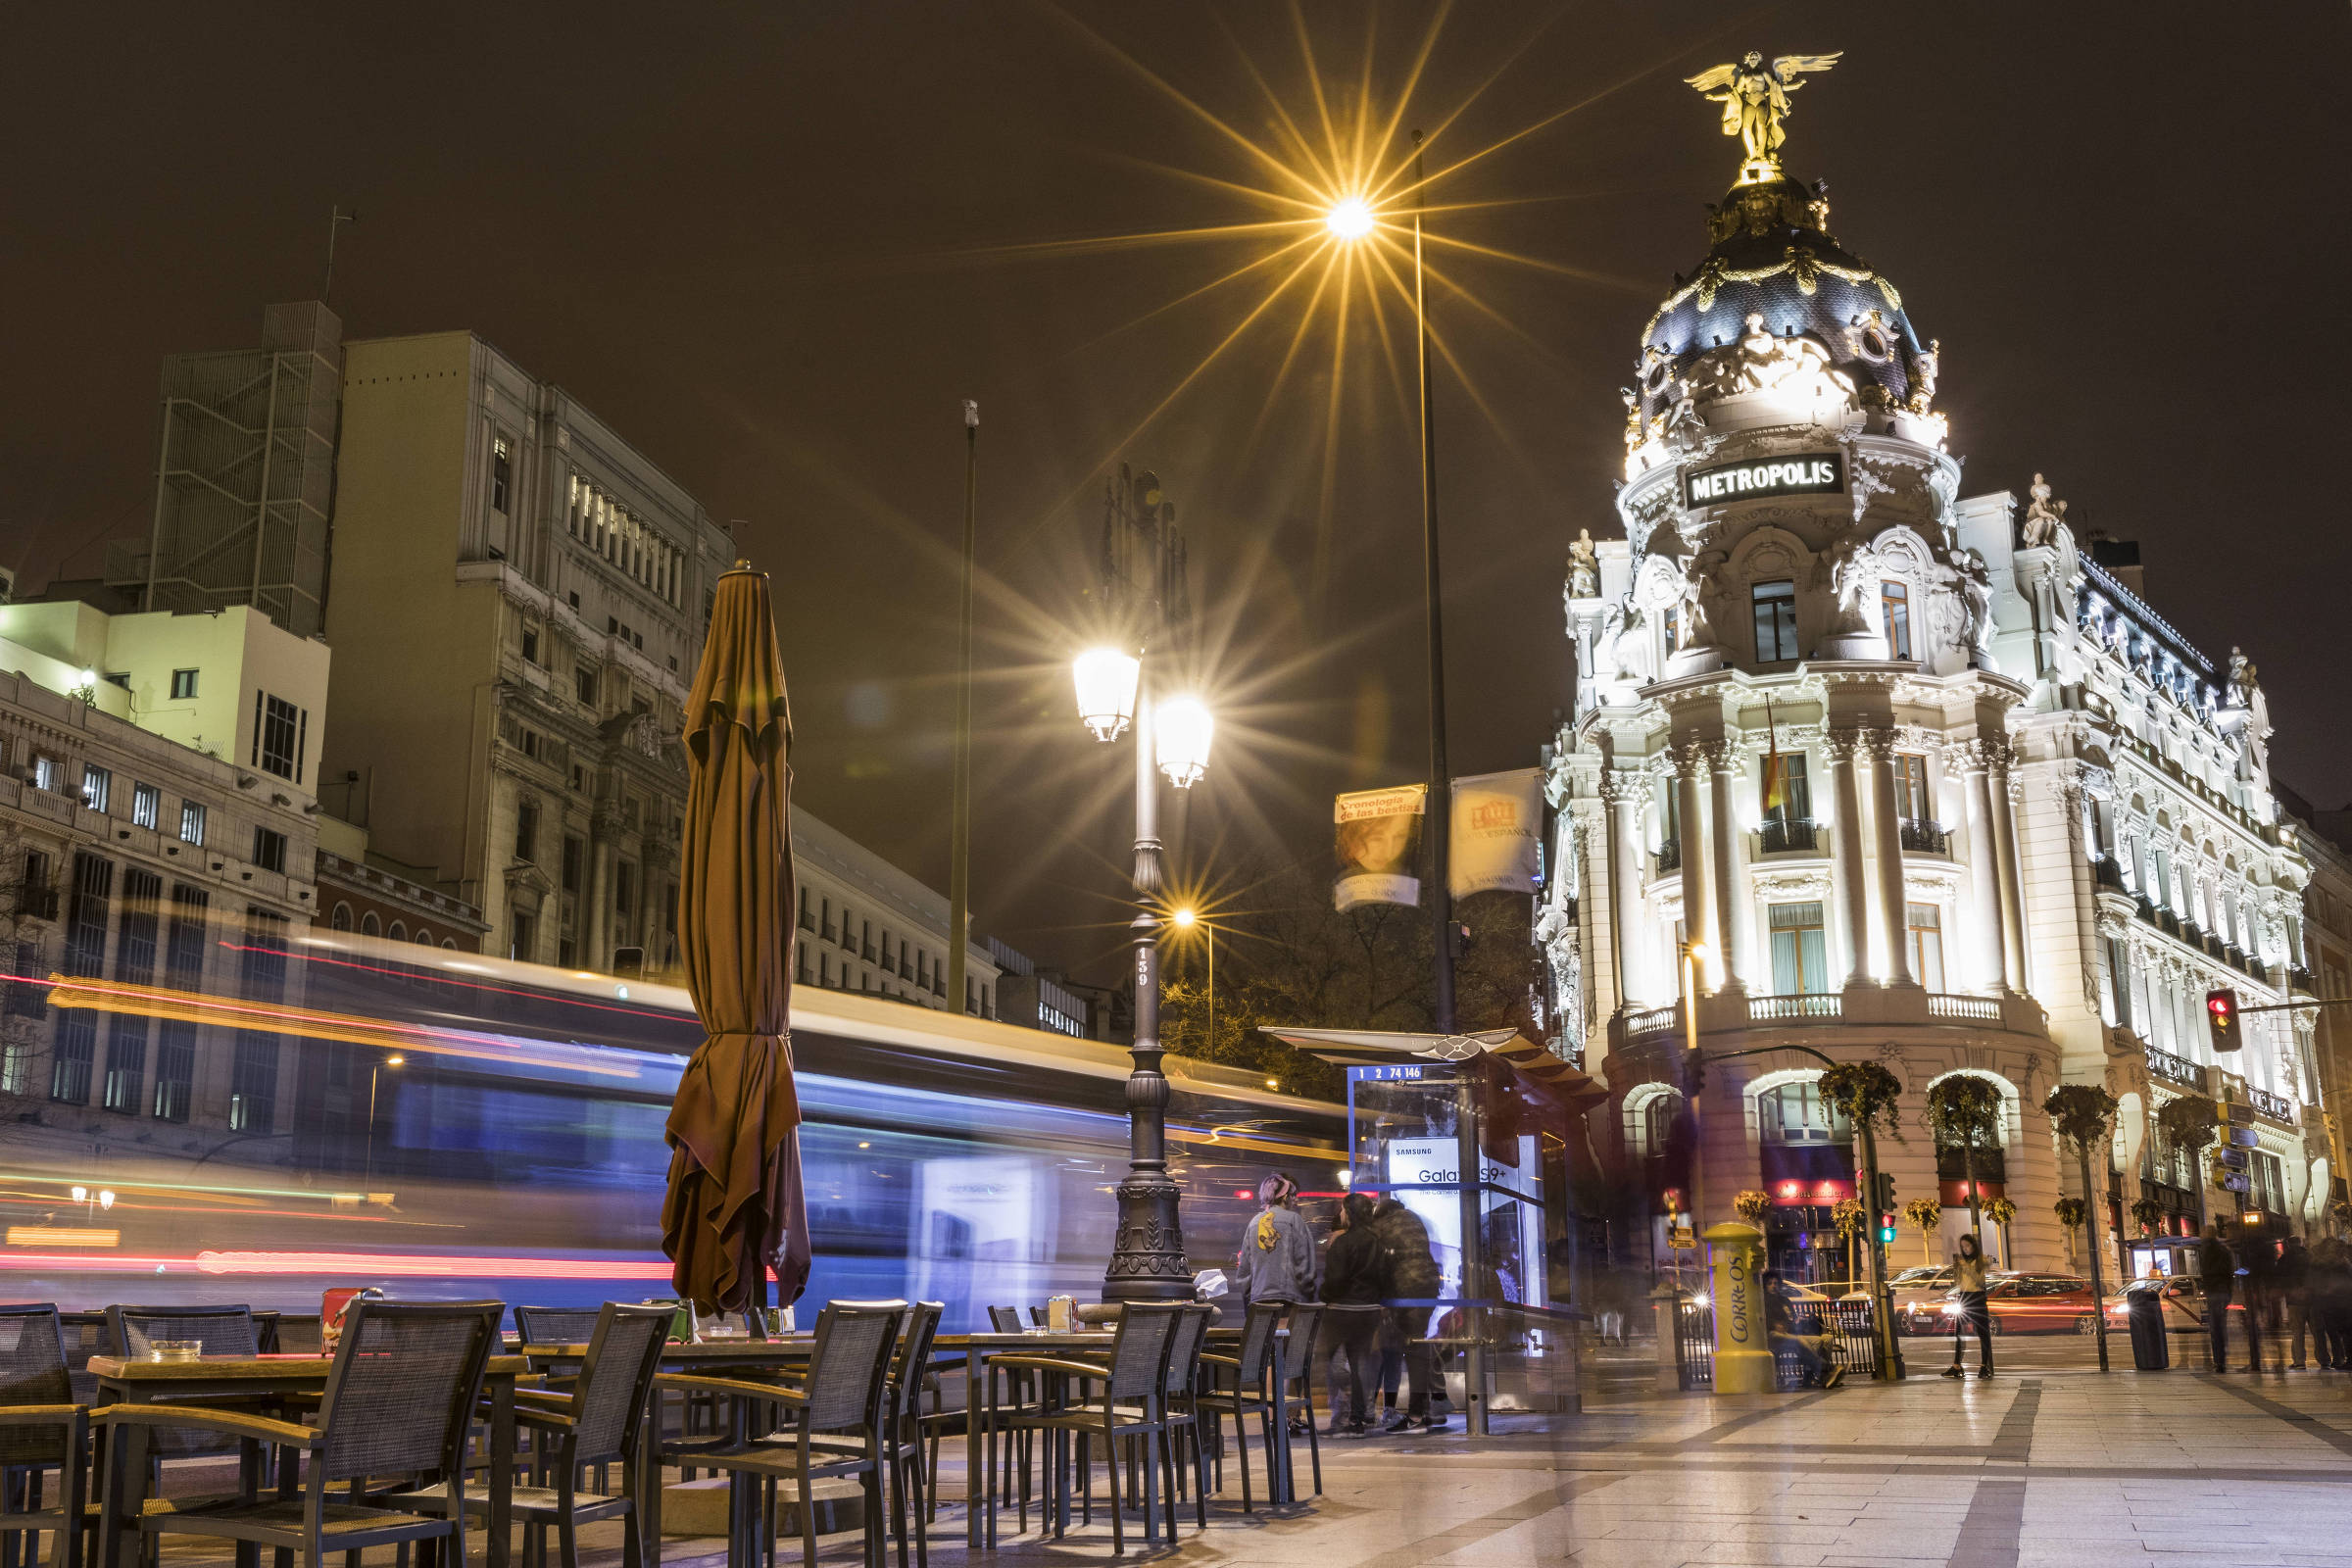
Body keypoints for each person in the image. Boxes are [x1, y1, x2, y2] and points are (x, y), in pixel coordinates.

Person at [1369, 1192, 1445, 1432]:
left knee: (1407, 1350)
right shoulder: (1412, 1218)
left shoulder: (1383, 1224)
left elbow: (1380, 1263)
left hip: (1405, 1291)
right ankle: (1427, 1407)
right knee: (1418, 1346)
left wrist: (1381, 1298)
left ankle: (1415, 1415)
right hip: (1427, 1285)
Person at [1318, 1193, 1385, 1436]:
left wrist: (1324, 1295)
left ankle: (1341, 1414)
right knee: (1359, 1364)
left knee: (1332, 1362)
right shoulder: (1378, 1242)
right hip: (1368, 1311)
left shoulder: (1343, 1243)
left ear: (1351, 1213)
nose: (1341, 1214)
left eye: (1344, 1210)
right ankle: (1358, 1419)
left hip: (1341, 1311)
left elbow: (1335, 1279)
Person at [1764, 1270, 1842, 1389]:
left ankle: (1811, 1377)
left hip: (1789, 1332)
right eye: (1770, 1283)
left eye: (1775, 1283)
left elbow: (1793, 1319)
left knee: (1824, 1340)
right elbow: (1762, 1319)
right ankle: (1827, 1370)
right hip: (1772, 1335)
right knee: (1798, 1341)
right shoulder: (1763, 1300)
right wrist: (1774, 1325)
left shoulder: (1784, 1300)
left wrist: (1796, 1322)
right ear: (1765, 1285)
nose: (1773, 1286)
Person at [1942, 1233, 1992, 1380]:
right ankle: (1957, 1366)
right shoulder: (1961, 1261)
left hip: (1977, 1298)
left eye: (1968, 1246)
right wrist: (1957, 1268)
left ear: (1973, 1245)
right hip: (1964, 1297)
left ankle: (1984, 1367)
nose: (1965, 1249)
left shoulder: (1981, 1260)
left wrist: (1966, 1268)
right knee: (1958, 1333)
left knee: (1983, 1334)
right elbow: (1958, 1282)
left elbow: (1979, 1281)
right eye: (1963, 1247)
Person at [2195, 1222, 2237, 1372]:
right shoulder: (2224, 1250)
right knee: (2221, 1325)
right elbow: (2230, 1271)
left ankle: (2219, 1360)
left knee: (2215, 1327)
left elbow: (2206, 1272)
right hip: (2223, 1291)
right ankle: (2222, 1358)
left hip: (2214, 1291)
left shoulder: (2206, 1249)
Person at [2279, 1234, 2312, 1370]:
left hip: (2294, 1300)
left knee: (2297, 1332)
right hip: (2311, 1298)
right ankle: (2325, 1360)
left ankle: (2299, 1361)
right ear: (2301, 1243)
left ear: (2288, 1244)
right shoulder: (2310, 1256)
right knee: (2318, 1331)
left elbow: (2280, 1278)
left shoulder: (2285, 1259)